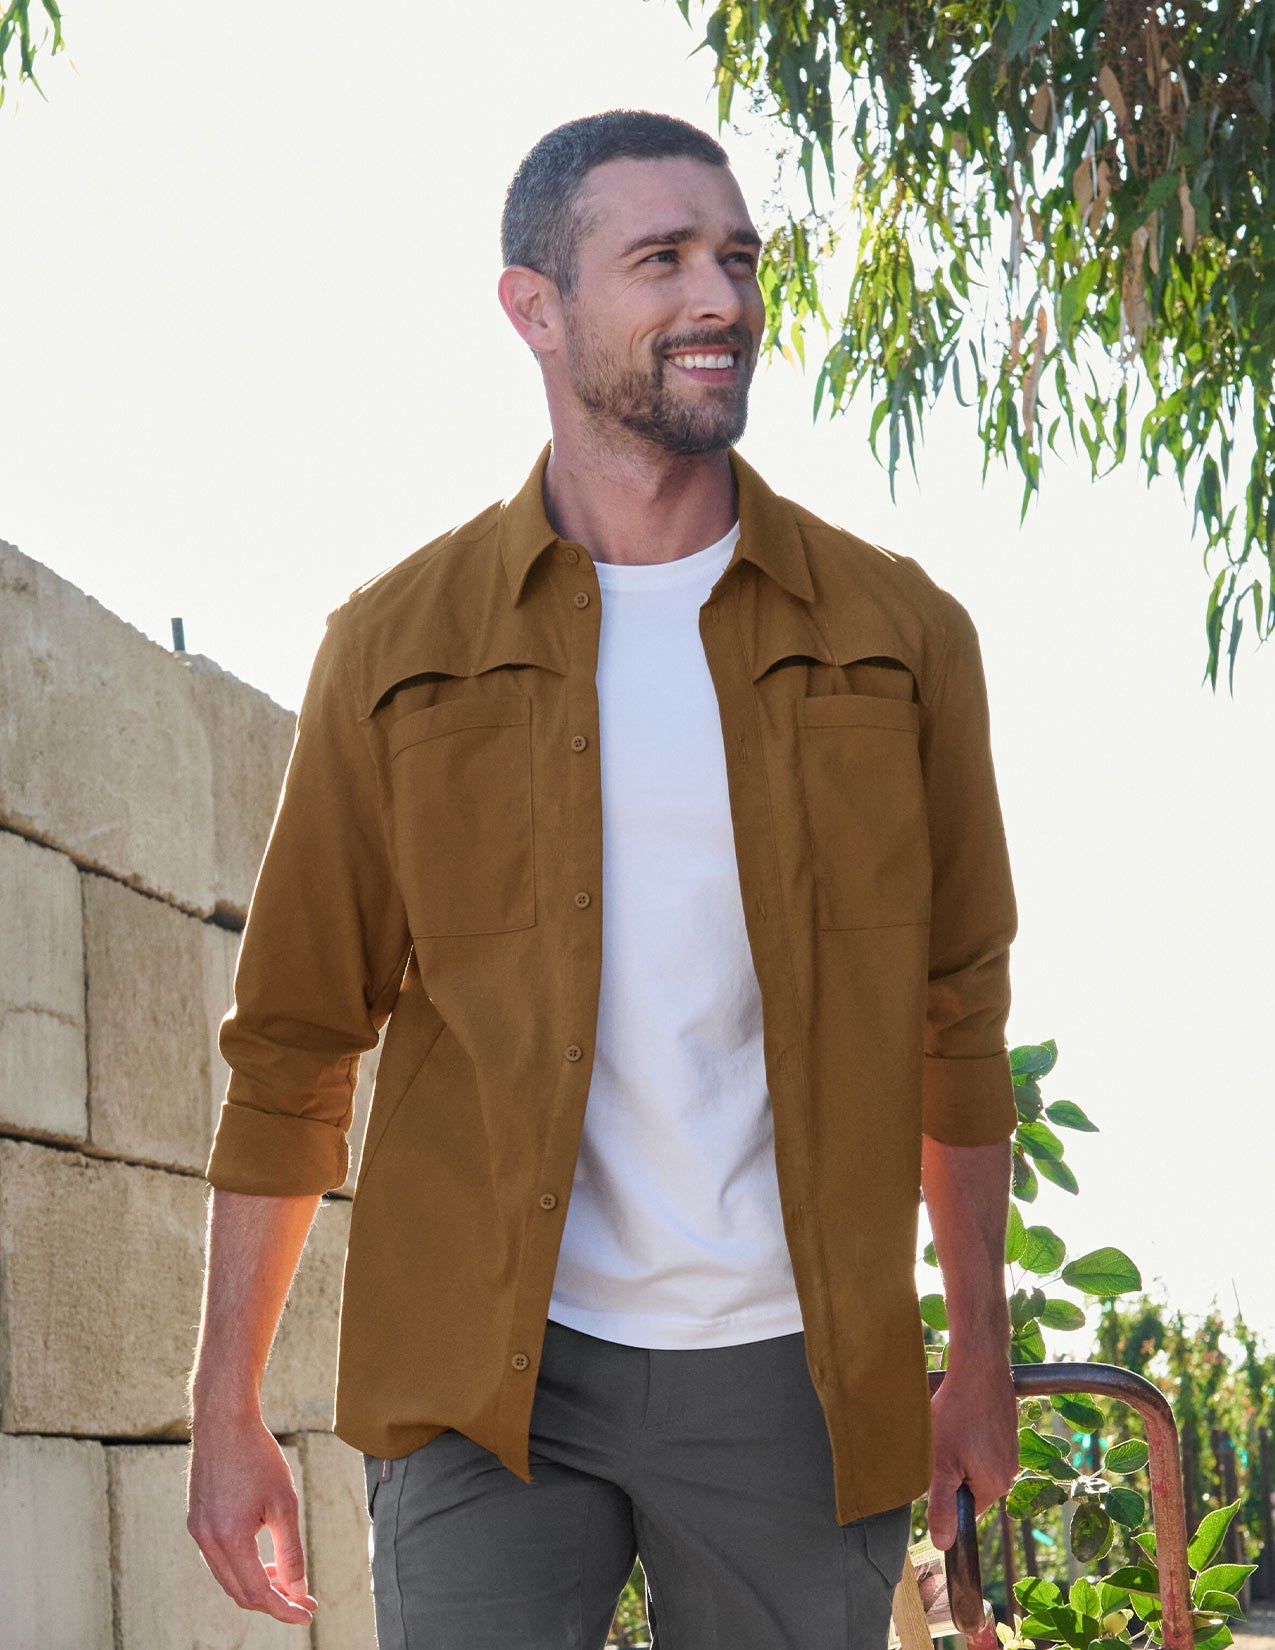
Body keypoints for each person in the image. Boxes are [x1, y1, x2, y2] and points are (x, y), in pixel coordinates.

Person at [187, 108, 1020, 1650]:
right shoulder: (396, 647)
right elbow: (294, 1033)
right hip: (483, 1373)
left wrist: (978, 1348)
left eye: (737, 259)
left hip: (794, 1374)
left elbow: (956, 1014)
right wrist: (224, 1404)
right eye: (662, 260)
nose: (719, 299)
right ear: (537, 307)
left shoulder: (902, 640)